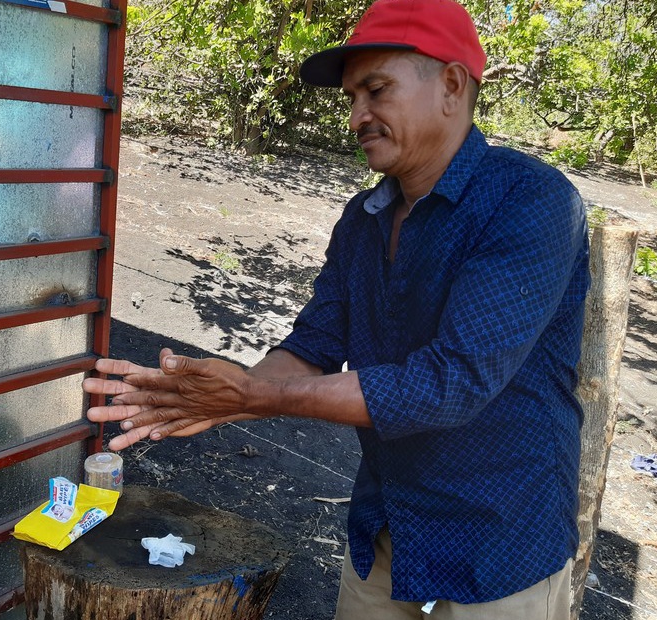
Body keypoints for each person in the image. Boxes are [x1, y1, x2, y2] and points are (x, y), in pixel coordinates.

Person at [83, 0, 590, 617]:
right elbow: (314, 344)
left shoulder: (529, 201)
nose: (357, 116)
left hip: (498, 546)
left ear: (453, 85)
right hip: (388, 527)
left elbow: (452, 382)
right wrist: (225, 390)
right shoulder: (365, 219)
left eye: (376, 90)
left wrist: (254, 398)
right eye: (351, 98)